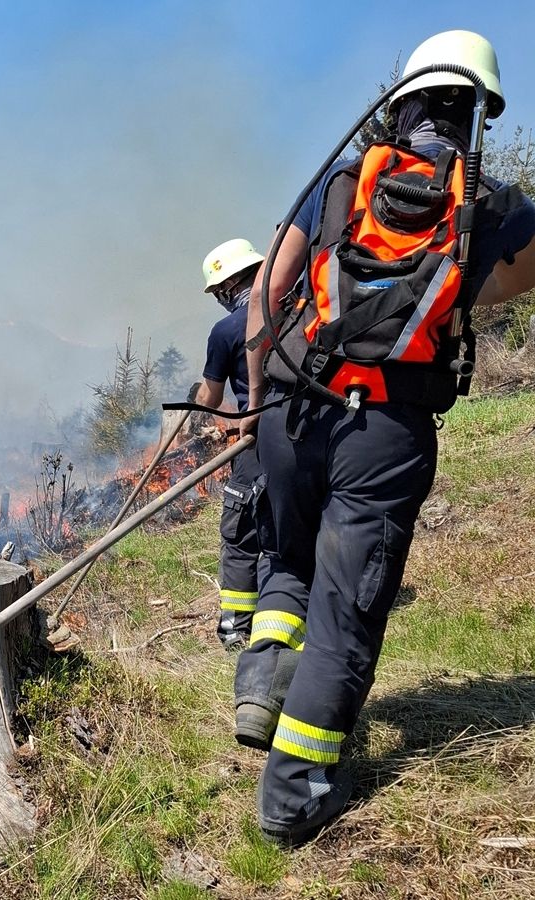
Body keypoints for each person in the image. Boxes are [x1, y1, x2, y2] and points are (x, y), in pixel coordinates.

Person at [234, 30, 535, 847]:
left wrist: (257, 397)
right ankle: (294, 799)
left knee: (287, 561)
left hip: (291, 415)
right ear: (477, 111)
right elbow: (506, 286)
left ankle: (259, 688)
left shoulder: (337, 182)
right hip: (386, 432)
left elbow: (267, 293)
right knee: (345, 615)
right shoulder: (494, 208)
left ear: (397, 105)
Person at [194, 239, 266, 649]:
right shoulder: (300, 308)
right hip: (309, 433)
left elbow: (210, 397)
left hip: (255, 440)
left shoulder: (226, 331)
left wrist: (196, 412)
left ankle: (236, 629)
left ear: (231, 283)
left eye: (219, 289)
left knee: (239, 532)